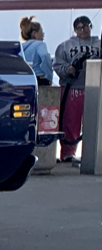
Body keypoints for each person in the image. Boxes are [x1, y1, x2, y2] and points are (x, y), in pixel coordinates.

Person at [52, 14, 101, 163]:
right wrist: (69, 69)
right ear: (74, 30)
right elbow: (57, 65)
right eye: (79, 27)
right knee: (70, 122)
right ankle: (68, 153)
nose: (83, 30)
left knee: (95, 124)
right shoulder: (65, 46)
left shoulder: (99, 44)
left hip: (96, 89)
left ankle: (94, 154)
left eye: (86, 26)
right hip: (72, 89)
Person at [19, 17, 53, 84]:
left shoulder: (21, 47)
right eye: (41, 32)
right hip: (39, 78)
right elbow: (45, 55)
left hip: (26, 78)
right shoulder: (40, 44)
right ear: (34, 33)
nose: (43, 34)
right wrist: (49, 76)